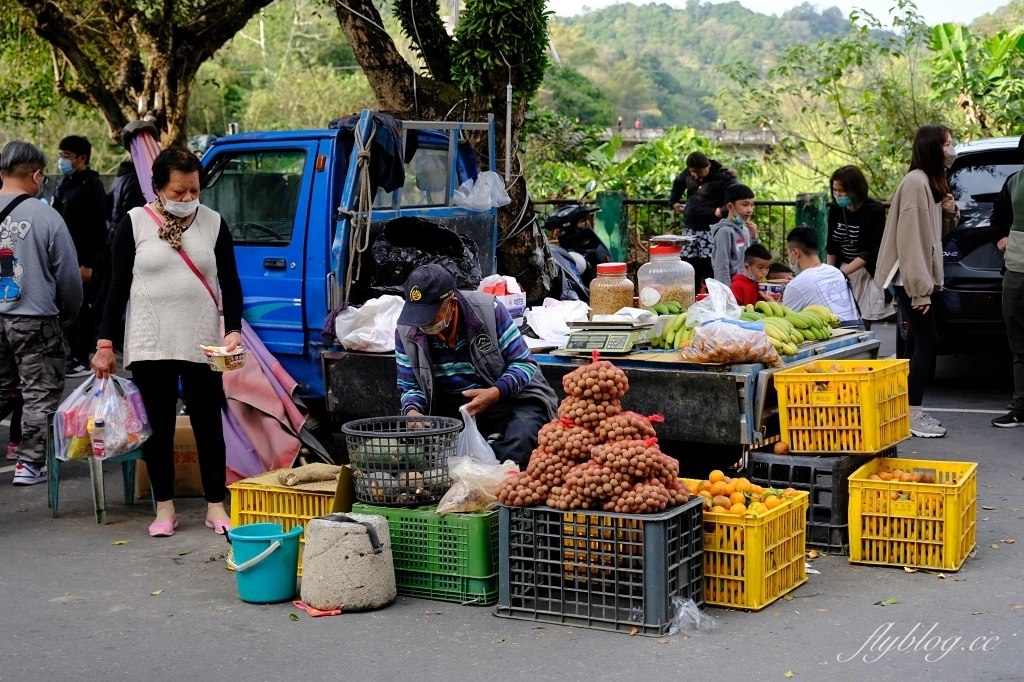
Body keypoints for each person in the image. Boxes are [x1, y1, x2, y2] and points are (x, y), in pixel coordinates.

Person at [93, 147, 243, 537]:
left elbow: (230, 282)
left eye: (194, 189)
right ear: (159, 187)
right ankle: (164, 508)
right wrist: (104, 342)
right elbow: (116, 286)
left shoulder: (213, 222)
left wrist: (233, 331)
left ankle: (215, 504)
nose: (188, 197)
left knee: (208, 425)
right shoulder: (134, 223)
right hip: (150, 342)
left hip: (203, 343)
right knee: (157, 428)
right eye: (179, 191)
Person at [394, 264, 558, 468]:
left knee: (520, 441)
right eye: (418, 315)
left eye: (430, 316)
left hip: (507, 398)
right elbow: (411, 387)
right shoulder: (406, 331)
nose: (422, 323)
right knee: (415, 453)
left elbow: (524, 363)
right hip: (454, 408)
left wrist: (495, 393)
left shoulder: (489, 310)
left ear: (452, 304)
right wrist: (412, 413)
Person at [0, 141, 84, 485]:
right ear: (36, 175)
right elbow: (68, 275)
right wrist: (72, 309)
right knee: (40, 390)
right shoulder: (46, 215)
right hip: (33, 319)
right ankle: (30, 464)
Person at [874, 125, 960, 438]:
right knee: (927, 343)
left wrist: (950, 213)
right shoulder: (916, 183)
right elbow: (911, 243)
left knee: (915, 344)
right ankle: (912, 414)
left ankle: (906, 411)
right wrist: (919, 292)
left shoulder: (927, 182)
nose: (951, 149)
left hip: (914, 278)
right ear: (931, 148)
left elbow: (931, 235)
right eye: (946, 144)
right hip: (910, 279)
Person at [51, 136, 108, 378]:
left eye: (67, 156)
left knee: (83, 309)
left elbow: (97, 229)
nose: (62, 160)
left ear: (82, 158)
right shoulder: (66, 183)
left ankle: (81, 357)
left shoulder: (91, 186)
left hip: (83, 260)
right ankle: (71, 353)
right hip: (63, 257)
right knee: (66, 307)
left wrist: (88, 264)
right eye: (61, 155)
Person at [987, 136, 1024, 427]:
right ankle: (1021, 407)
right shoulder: (1014, 182)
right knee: (1019, 344)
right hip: (1016, 270)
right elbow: (997, 217)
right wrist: (1000, 236)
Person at [826, 165, 889, 330]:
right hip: (842, 267)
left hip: (866, 270)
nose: (838, 195)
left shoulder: (874, 210)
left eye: (842, 191)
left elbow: (870, 251)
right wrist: (830, 273)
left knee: (863, 320)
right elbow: (832, 245)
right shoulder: (835, 209)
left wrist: (842, 273)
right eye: (835, 190)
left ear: (855, 189)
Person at [668, 152, 739, 287]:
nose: (695, 175)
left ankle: (711, 295)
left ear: (708, 166)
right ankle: (691, 295)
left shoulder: (723, 177)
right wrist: (674, 201)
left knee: (709, 267)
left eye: (699, 172)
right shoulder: (688, 174)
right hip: (690, 228)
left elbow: (737, 195)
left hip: (710, 229)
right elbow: (678, 183)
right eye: (693, 172)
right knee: (689, 267)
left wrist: (723, 210)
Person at [101, 160, 146, 332]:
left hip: (114, 236)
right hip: (128, 242)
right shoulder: (135, 180)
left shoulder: (120, 177)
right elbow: (133, 216)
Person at [783, 227, 859, 324]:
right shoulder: (836, 272)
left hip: (833, 332)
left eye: (788, 254)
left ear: (795, 252)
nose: (789, 258)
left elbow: (787, 321)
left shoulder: (796, 285)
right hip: (857, 327)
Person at [711, 183, 759, 286]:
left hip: (745, 285)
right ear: (730, 207)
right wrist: (727, 292)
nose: (749, 210)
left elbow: (756, 258)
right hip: (732, 288)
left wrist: (754, 238)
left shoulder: (746, 231)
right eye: (745, 205)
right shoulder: (724, 232)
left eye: (752, 205)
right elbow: (721, 268)